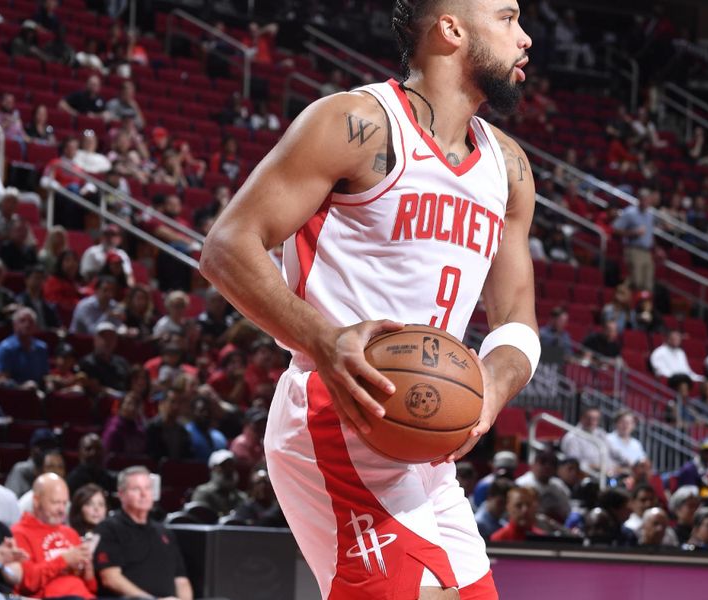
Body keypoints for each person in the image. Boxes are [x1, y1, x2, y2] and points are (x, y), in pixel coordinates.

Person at [200, 1, 538, 596]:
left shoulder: (509, 168)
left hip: (428, 436)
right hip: (338, 413)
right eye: (508, 18)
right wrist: (324, 340)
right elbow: (228, 246)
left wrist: (491, 388)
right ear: (452, 29)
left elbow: (515, 318)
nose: (526, 37)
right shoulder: (356, 121)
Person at [94, 466, 193, 599]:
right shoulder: (109, 528)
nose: (144, 494)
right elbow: (111, 578)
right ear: (121, 494)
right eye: (136, 489)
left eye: (148, 488)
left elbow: (181, 580)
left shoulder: (165, 532)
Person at [11, 473, 98, 598]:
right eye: (56, 502)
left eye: (64, 503)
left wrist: (88, 570)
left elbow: (92, 588)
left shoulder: (70, 533)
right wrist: (64, 560)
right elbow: (27, 583)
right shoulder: (19, 533)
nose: (62, 509)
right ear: (36, 501)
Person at [612, 189, 658, 292]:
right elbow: (616, 229)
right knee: (636, 281)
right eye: (644, 200)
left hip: (647, 252)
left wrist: (657, 248)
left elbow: (650, 234)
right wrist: (633, 233)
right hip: (633, 250)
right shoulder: (630, 212)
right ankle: (625, 297)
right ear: (639, 200)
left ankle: (644, 307)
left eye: (647, 200)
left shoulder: (650, 215)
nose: (645, 202)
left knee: (648, 284)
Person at [514, 448, 570, 523]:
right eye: (543, 462)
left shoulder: (559, 485)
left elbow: (567, 511)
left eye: (552, 464)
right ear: (533, 465)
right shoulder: (521, 484)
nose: (547, 466)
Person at [0, 307, 49, 389]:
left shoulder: (41, 348)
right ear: (14, 325)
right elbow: (1, 379)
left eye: (31, 322)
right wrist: (22, 387)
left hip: (37, 393)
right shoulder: (6, 348)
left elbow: (44, 376)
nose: (27, 325)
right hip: (14, 395)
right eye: (22, 321)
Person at [191, 449, 248, 517]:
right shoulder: (202, 492)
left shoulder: (241, 497)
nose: (229, 469)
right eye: (223, 466)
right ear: (213, 469)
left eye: (231, 465)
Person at [5, 428, 59, 498]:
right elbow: (10, 497)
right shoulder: (21, 469)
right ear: (32, 448)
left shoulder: (56, 467)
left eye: (49, 446)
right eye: (41, 446)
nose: (45, 450)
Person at [144, 385, 193, 461]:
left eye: (179, 403)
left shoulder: (183, 432)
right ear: (162, 403)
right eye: (172, 402)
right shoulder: (152, 428)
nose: (176, 406)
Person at [560, 407, 609, 474]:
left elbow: (612, 455)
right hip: (584, 476)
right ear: (582, 418)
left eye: (595, 419)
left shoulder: (601, 433)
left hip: (605, 472)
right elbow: (574, 464)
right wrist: (595, 466)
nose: (592, 422)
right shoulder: (572, 438)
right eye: (589, 418)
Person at [185, 395, 228, 463]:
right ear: (192, 412)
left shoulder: (219, 437)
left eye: (208, 410)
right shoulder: (186, 433)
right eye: (201, 411)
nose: (206, 414)